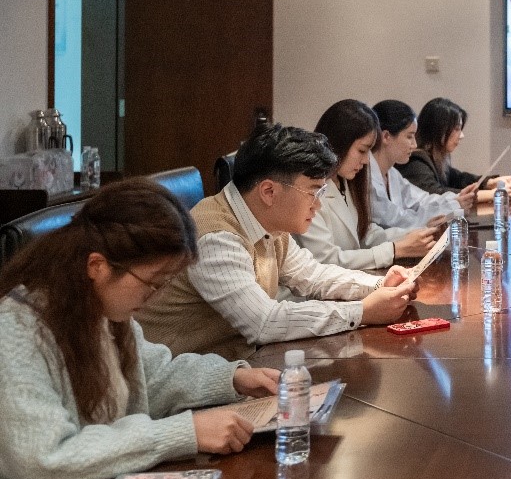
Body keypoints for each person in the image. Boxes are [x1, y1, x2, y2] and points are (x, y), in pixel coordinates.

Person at [0, 179, 280, 479]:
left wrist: (233, 379)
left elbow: (156, 377)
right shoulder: (15, 331)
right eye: (152, 283)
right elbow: (46, 459)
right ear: (97, 266)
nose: (155, 297)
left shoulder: (102, 311)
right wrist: (184, 432)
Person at [136, 124, 418, 360]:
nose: (318, 205)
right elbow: (264, 322)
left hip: (237, 363)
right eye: (313, 192)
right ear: (269, 191)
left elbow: (312, 275)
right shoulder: (216, 239)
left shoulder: (266, 221)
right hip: (184, 381)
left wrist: (378, 285)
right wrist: (362, 311)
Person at [295, 99, 449, 270]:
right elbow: (325, 260)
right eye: (362, 150)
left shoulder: (345, 181)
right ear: (339, 143)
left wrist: (415, 234)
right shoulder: (308, 189)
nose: (367, 160)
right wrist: (394, 250)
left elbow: (365, 234)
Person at [370, 100, 475, 230]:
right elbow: (395, 220)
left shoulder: (392, 173)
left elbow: (421, 200)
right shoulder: (368, 179)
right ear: (386, 136)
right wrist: (452, 205)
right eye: (409, 137)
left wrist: (456, 199)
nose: (414, 145)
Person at [398, 97, 511, 203]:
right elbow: (435, 194)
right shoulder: (416, 161)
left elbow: (458, 178)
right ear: (440, 129)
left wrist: (489, 183)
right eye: (457, 129)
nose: (461, 135)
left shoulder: (436, 157)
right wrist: (492, 194)